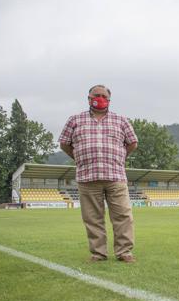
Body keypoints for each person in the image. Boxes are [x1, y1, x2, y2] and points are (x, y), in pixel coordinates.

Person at [59, 85, 139, 262]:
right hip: (87, 177)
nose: (100, 98)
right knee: (93, 218)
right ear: (89, 98)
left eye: (104, 96)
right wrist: (79, 157)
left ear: (109, 100)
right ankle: (98, 253)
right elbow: (64, 143)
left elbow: (132, 143)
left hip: (115, 176)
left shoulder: (121, 120)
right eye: (97, 95)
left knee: (123, 216)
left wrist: (120, 157)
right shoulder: (75, 120)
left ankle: (124, 252)